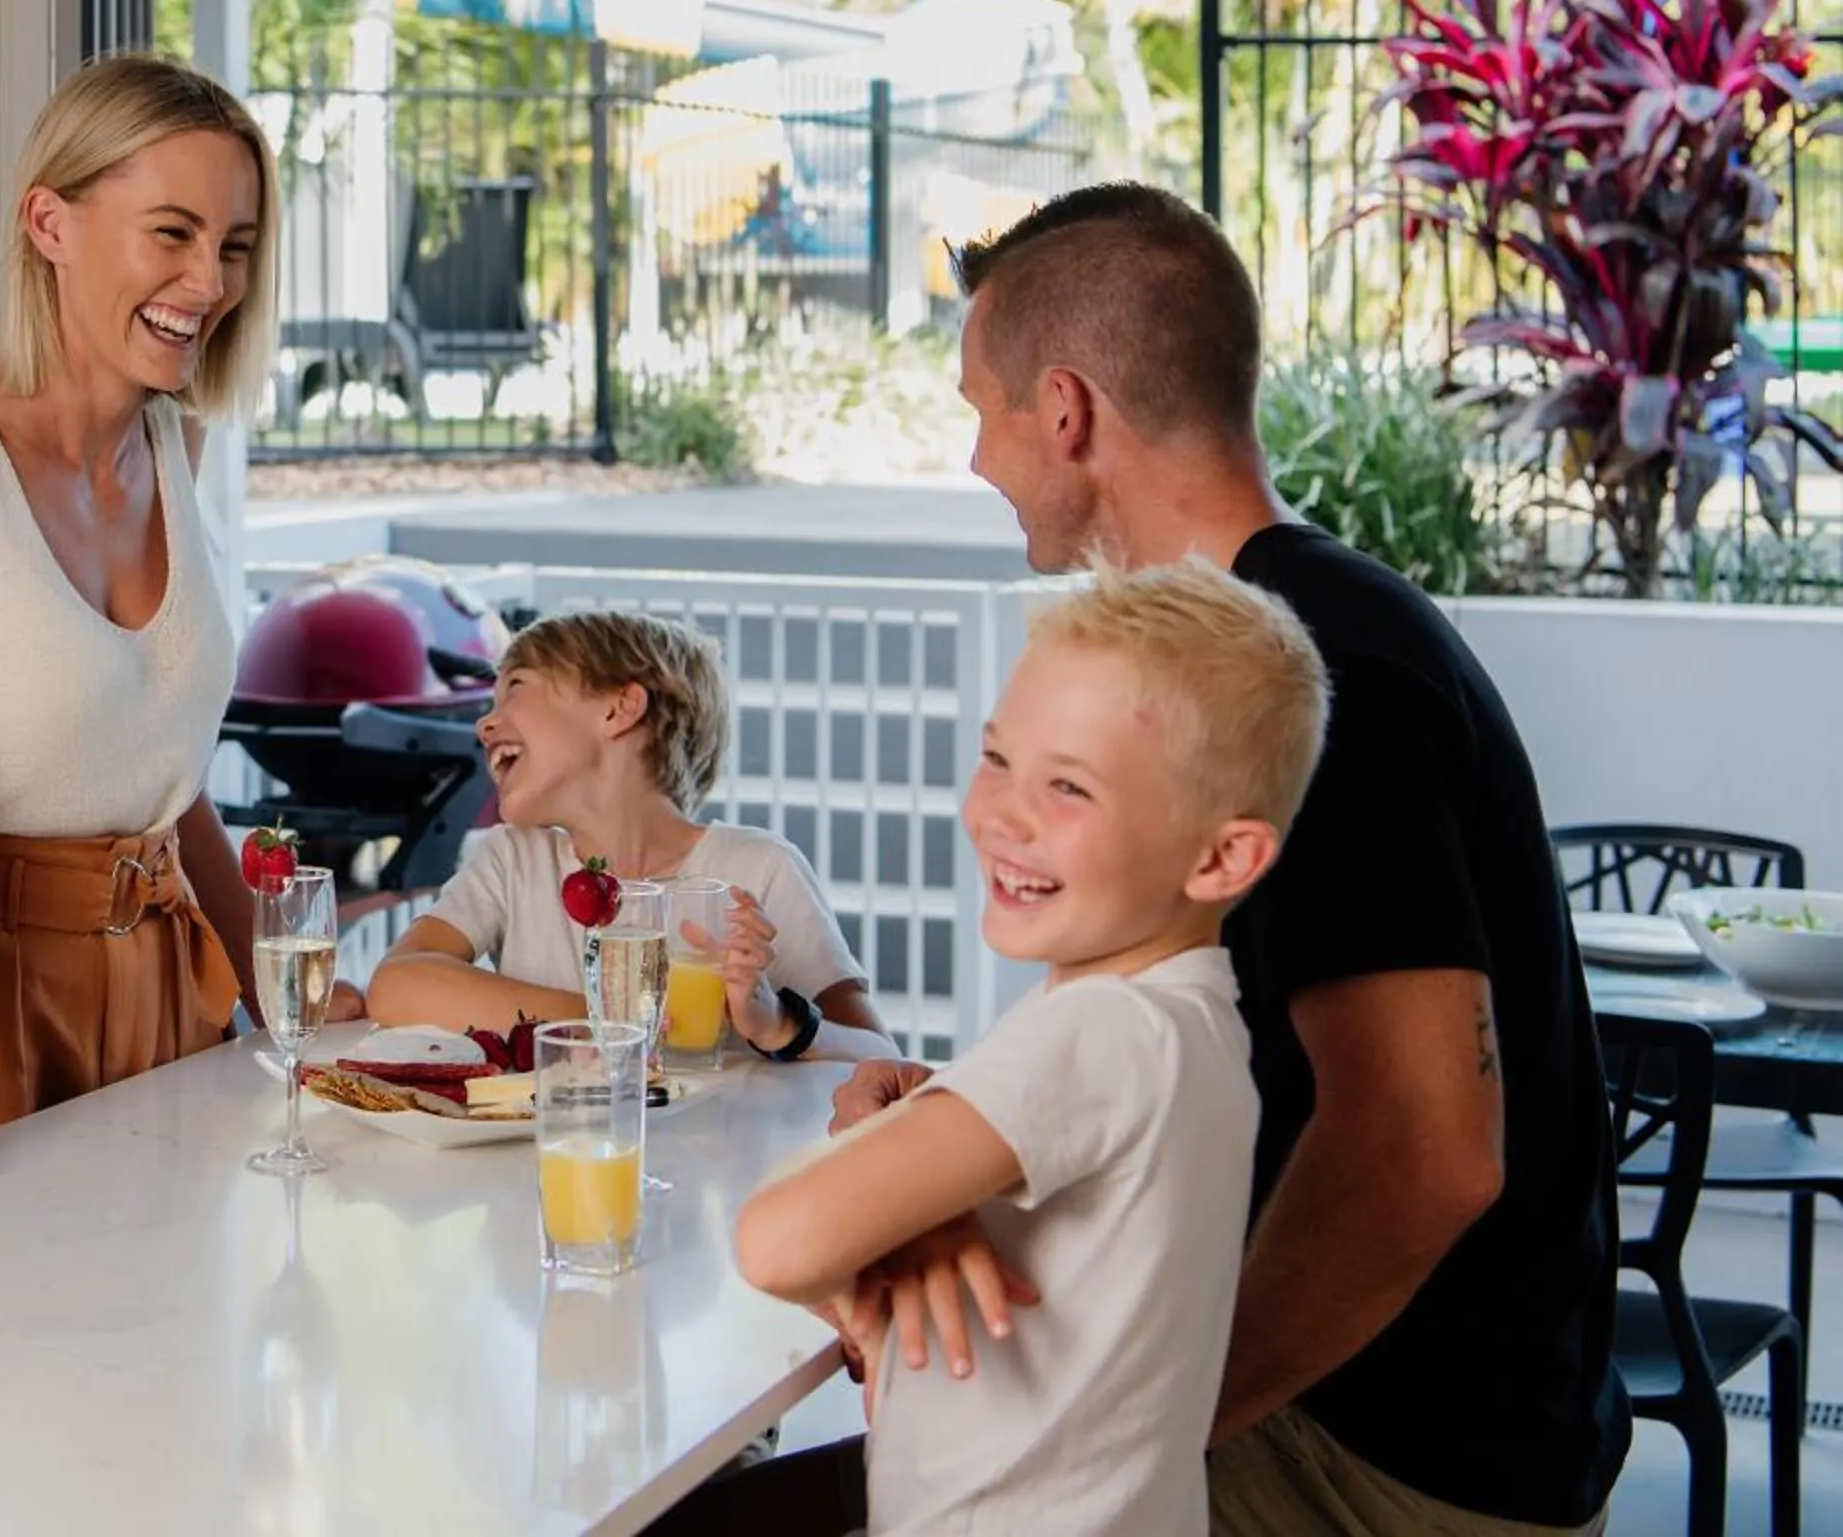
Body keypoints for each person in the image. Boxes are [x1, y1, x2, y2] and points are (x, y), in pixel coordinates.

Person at [827, 181, 1628, 1534]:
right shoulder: (1249, 652)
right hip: (1374, 1417)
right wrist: (972, 1122)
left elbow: (1428, 1153)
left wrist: (1156, 1412)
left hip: (1387, 1460)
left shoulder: (1320, 673)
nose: (976, 458)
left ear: (1066, 411)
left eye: (983, 410)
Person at [0, 54, 359, 1222]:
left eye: (236, 245)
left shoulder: (179, 445)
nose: (210, 281)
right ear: (50, 222)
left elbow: (162, 783)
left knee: (161, 1331)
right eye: (172, 233)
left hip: (163, 985)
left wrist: (288, 995)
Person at [734, 561, 1327, 1535]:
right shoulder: (1191, 1020)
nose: (1004, 812)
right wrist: (914, 1191)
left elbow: (777, 1238)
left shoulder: (1104, 1031)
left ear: (1222, 857)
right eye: (997, 757)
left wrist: (885, 1212)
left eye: (1069, 786)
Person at [364, 610, 893, 1061]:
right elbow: (397, 984)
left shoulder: (757, 868)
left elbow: (880, 1058)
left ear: (619, 709)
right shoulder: (513, 859)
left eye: (516, 689)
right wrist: (618, 1024)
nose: (485, 725)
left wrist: (776, 1021)